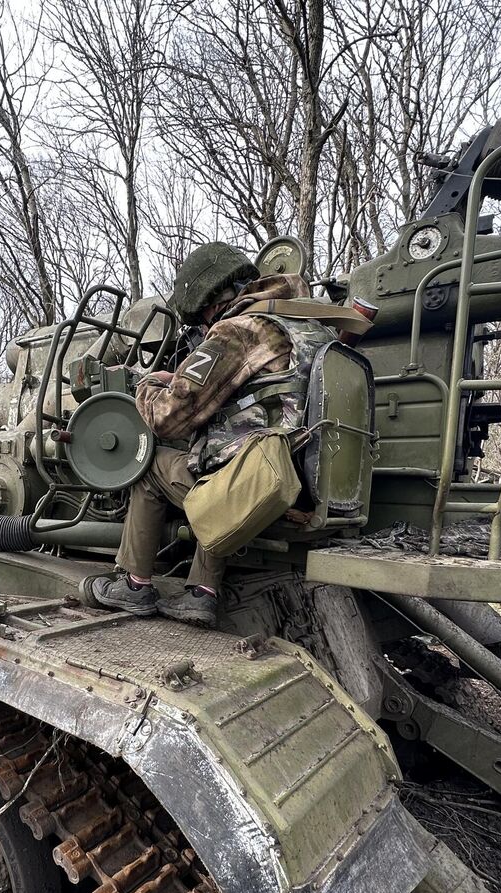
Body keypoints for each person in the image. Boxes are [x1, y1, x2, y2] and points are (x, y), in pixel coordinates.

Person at [91, 241, 349, 627]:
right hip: (305, 487)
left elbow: (168, 419)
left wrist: (148, 386)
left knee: (150, 463)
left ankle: (135, 583)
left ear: (213, 302)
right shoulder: (312, 326)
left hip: (263, 488)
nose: (204, 328)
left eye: (201, 319)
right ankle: (201, 592)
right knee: (229, 458)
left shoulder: (241, 329)